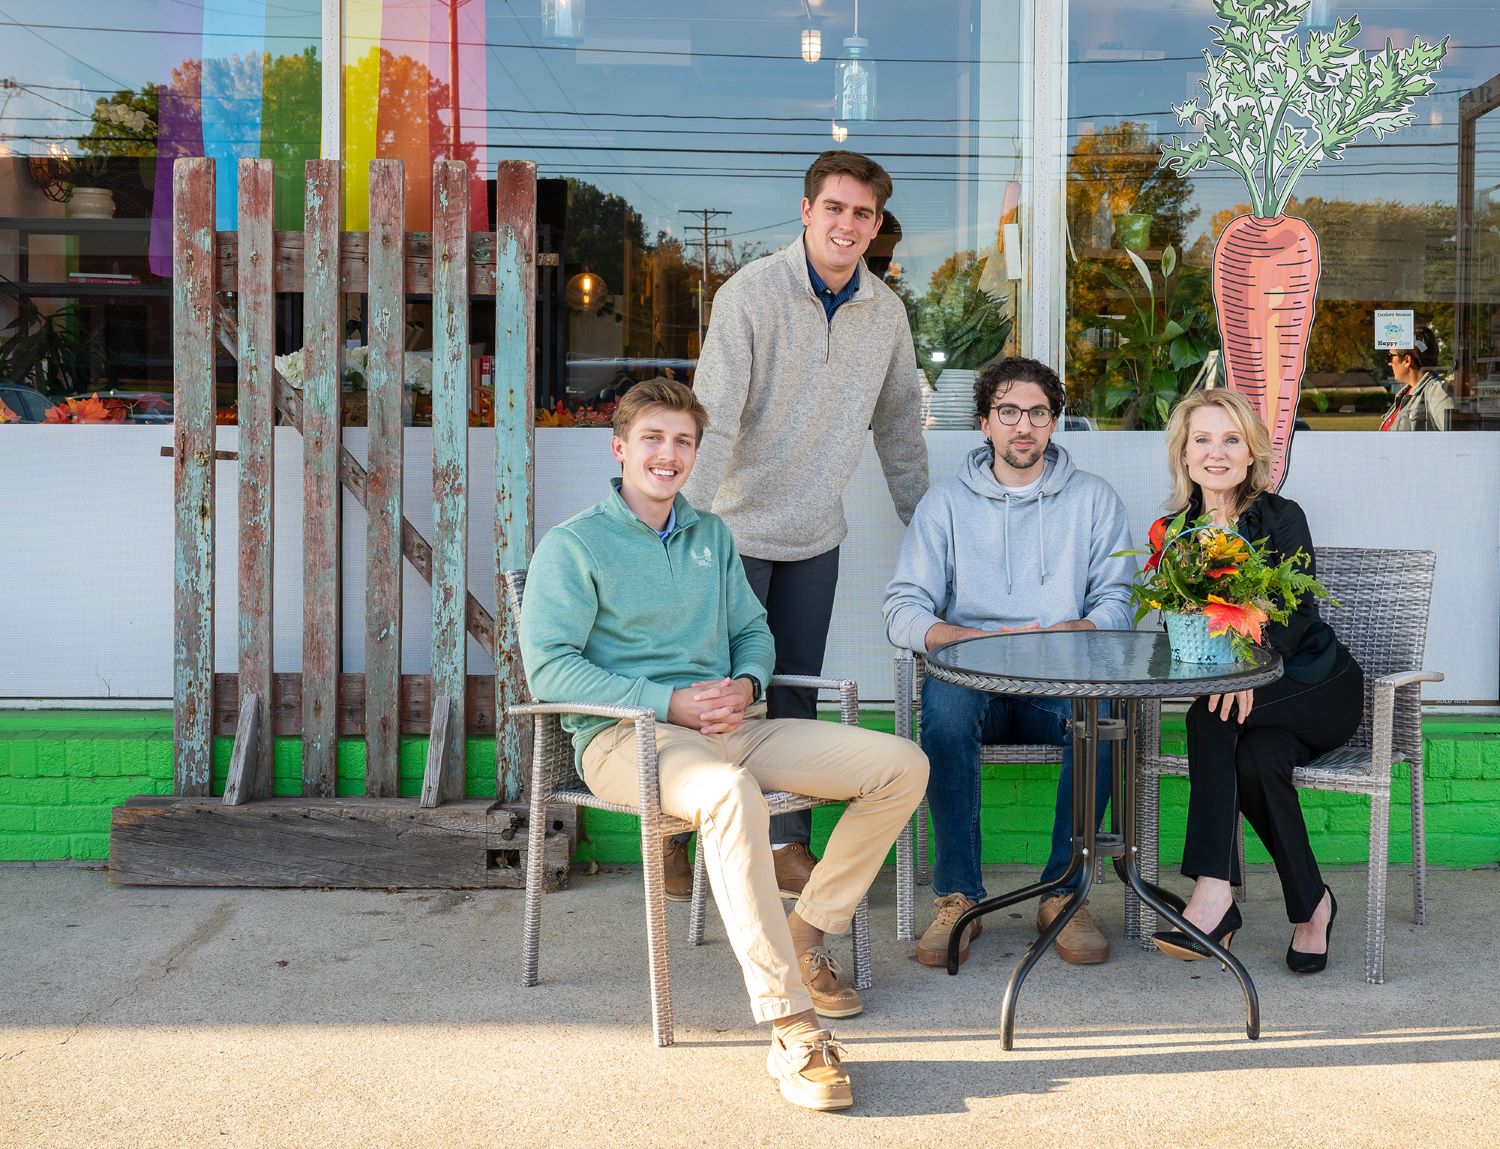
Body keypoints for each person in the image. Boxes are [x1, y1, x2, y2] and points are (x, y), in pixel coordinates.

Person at [518, 378, 928, 1112]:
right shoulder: (574, 544)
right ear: (620, 448)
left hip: (730, 727)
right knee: (731, 798)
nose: (667, 454)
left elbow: (752, 630)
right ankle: (791, 1024)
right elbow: (549, 665)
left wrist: (746, 679)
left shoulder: (711, 536)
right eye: (653, 438)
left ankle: (807, 931)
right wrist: (665, 699)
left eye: (682, 442)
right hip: (627, 737)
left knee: (901, 765)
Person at [679, 150, 929, 901]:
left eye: (863, 213)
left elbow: (899, 431)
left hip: (815, 535)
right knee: (715, 697)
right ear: (806, 211)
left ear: (876, 225)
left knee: (795, 699)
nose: (847, 224)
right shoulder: (749, 294)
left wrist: (926, 528)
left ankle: (789, 844)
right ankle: (678, 838)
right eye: (835, 208)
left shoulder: (885, 313)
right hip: (729, 532)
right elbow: (711, 422)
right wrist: (682, 527)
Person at [882, 357, 1136, 968]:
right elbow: (901, 610)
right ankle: (958, 898)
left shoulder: (1093, 500)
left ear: (1055, 422)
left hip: (1059, 683)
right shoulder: (944, 505)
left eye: (1038, 413)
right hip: (975, 684)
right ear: (984, 422)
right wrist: (966, 638)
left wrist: (1076, 629)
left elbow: (1119, 600)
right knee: (942, 709)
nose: (1024, 426)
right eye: (1009, 412)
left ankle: (1063, 895)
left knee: (1104, 715)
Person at [1148, 389, 1364, 974]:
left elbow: (1296, 618)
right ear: (1184, 455)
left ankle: (1214, 893)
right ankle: (1313, 906)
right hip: (1250, 709)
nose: (1215, 453)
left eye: (1230, 439)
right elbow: (1178, 623)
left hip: (1316, 685)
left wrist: (1249, 667)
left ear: (1250, 454)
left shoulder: (1281, 516)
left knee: (1207, 716)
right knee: (1257, 761)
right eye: (1202, 440)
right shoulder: (1173, 534)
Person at [1380, 325, 1453, 432]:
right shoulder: (1405, 394)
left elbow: (1457, 439)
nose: (1389, 363)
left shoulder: (1437, 391)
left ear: (1407, 360)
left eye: (1389, 356)